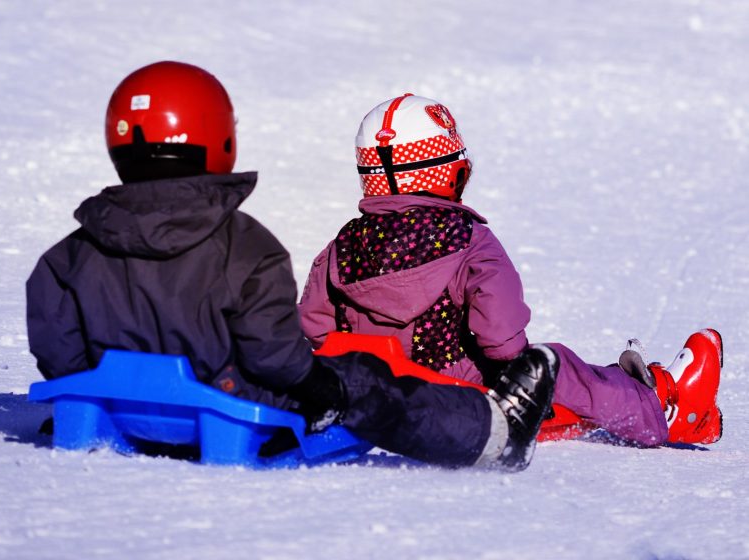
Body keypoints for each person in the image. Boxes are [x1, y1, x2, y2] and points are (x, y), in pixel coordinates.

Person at [26, 62, 559, 471]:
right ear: (222, 141)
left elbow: (58, 353)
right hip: (229, 411)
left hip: (116, 408)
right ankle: (495, 434)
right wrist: (318, 386)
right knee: (364, 380)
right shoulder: (244, 245)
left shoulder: (66, 255)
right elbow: (275, 357)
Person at [298, 93, 723, 448]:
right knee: (552, 363)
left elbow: (315, 330)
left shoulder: (341, 249)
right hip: (459, 397)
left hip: (374, 392)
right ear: (450, 172)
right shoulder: (467, 242)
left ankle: (638, 386)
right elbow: (502, 343)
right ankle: (666, 411)